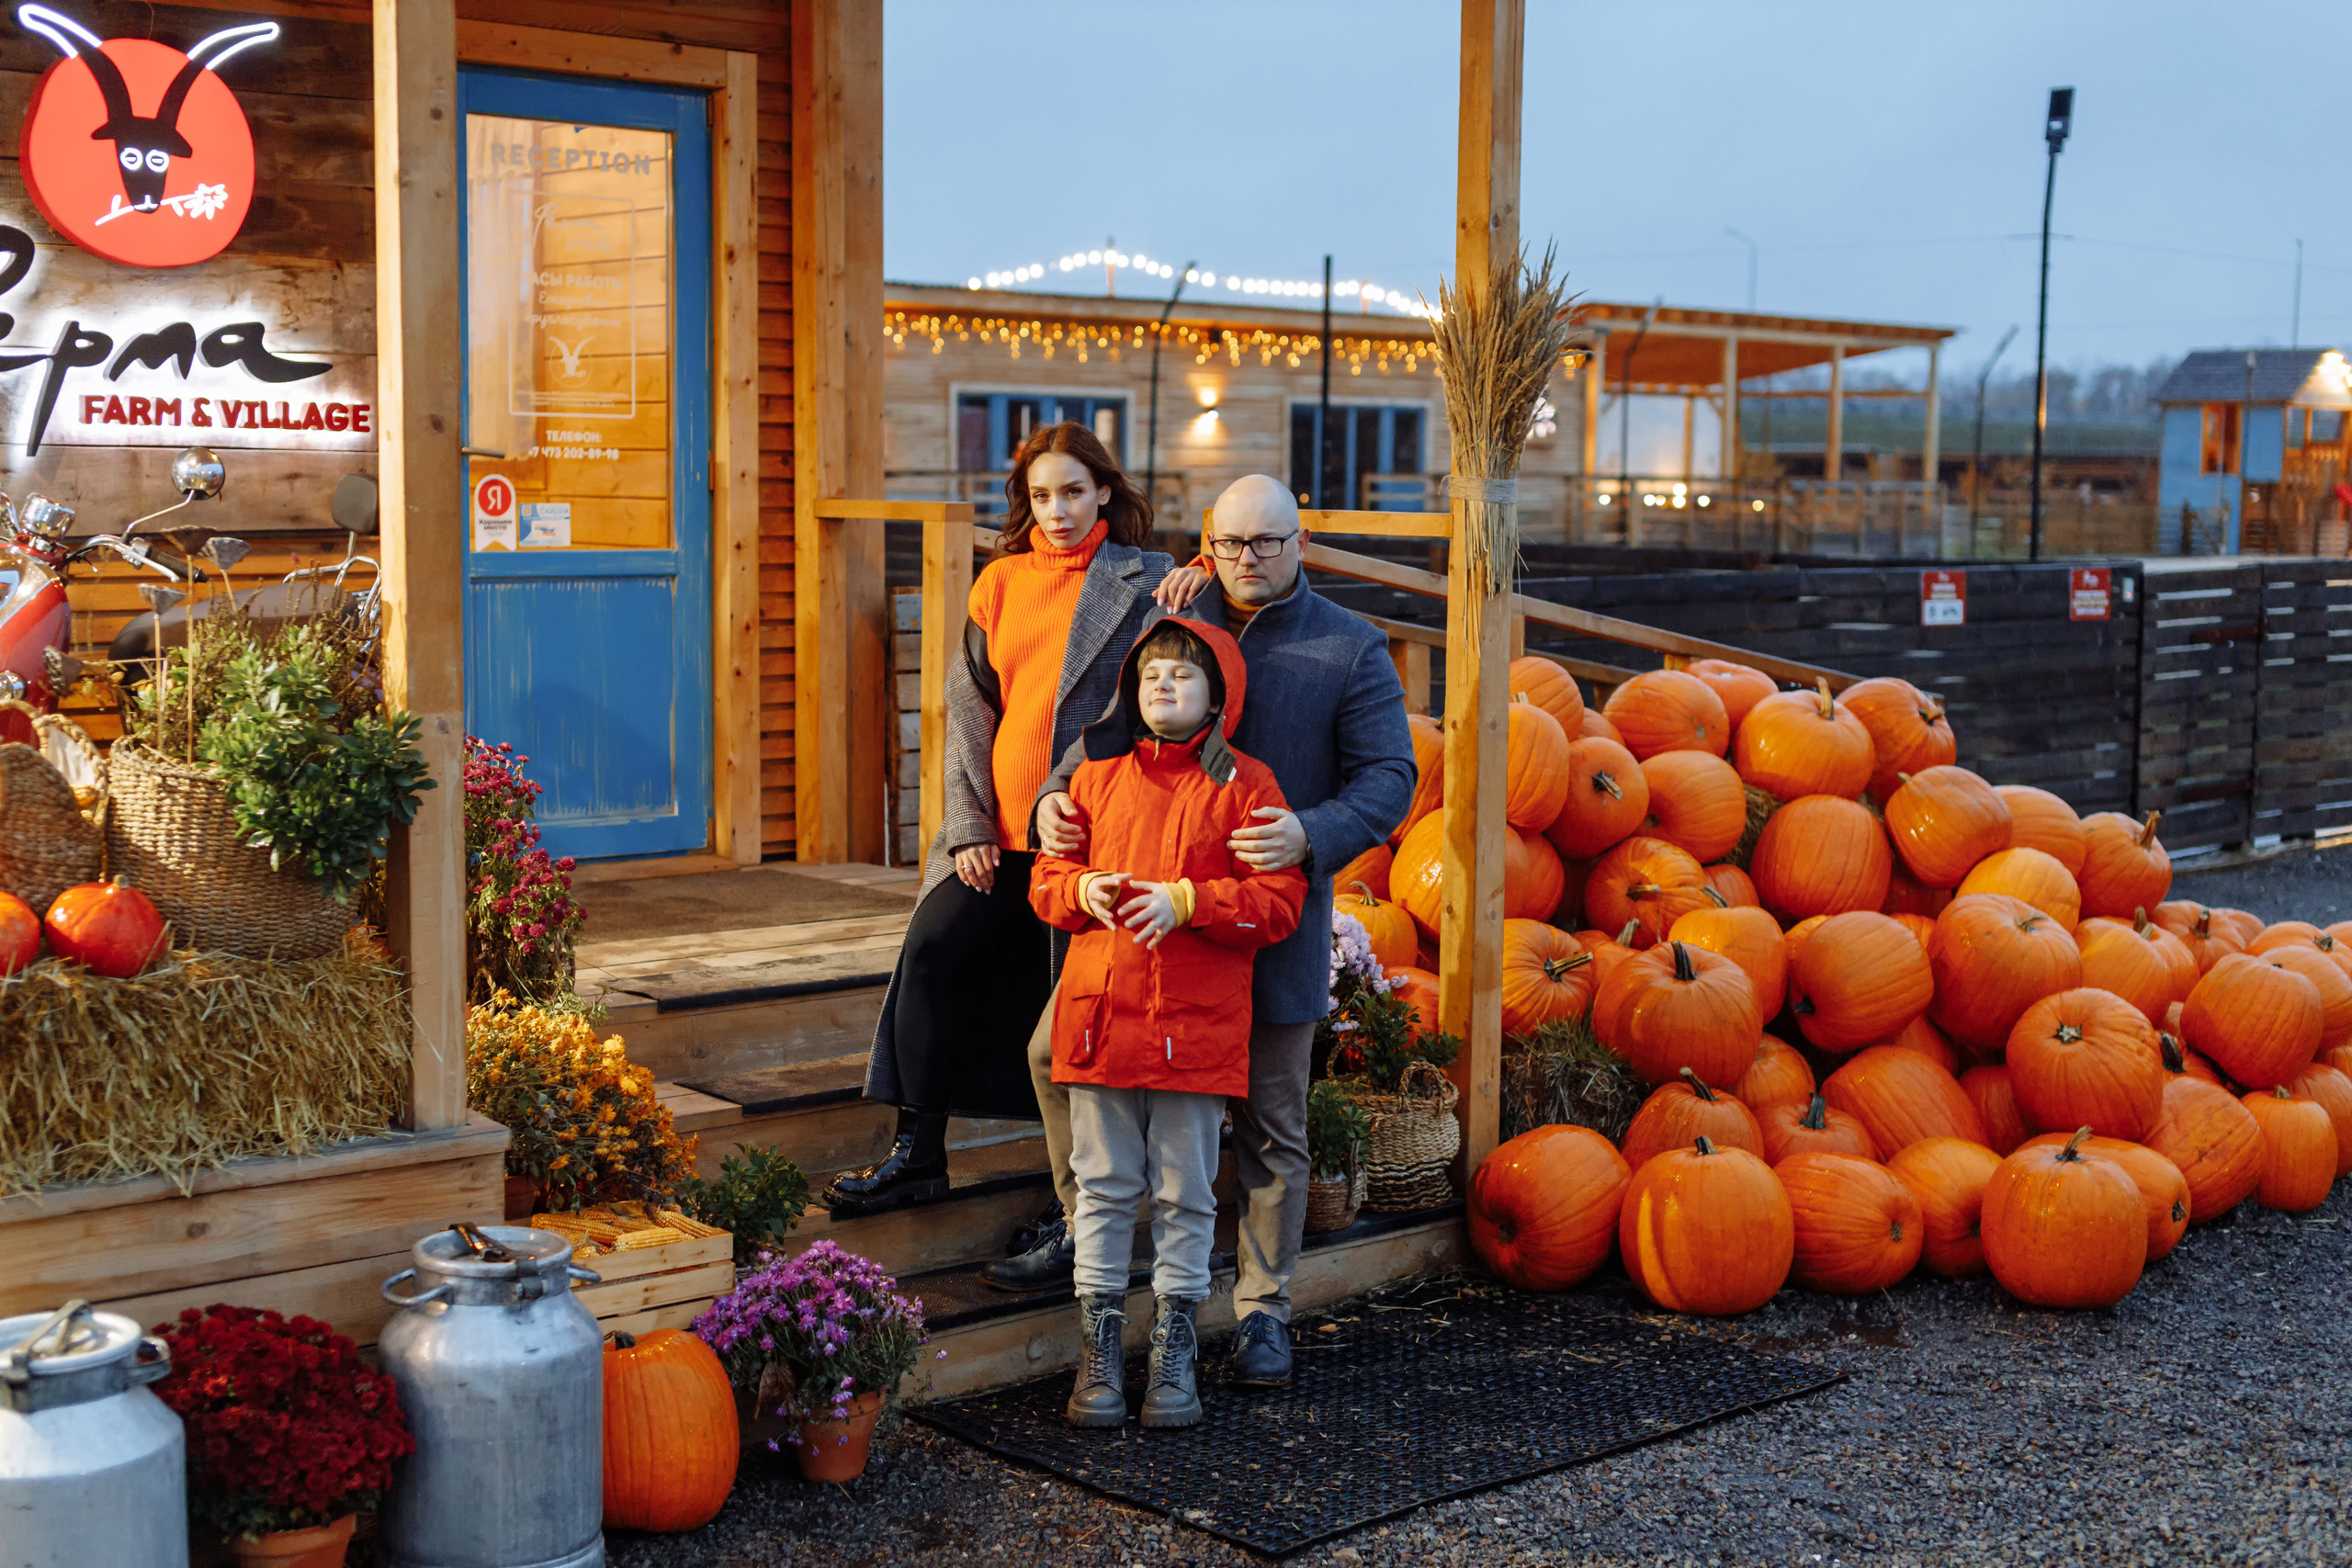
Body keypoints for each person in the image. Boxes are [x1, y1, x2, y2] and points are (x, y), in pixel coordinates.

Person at [994, 473, 1417, 1391]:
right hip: (1140, 938)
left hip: (1264, 925)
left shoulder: (1347, 648)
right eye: (1229, 544)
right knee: (1047, 1060)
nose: (1247, 562)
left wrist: (1314, 833)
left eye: (1266, 544)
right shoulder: (1169, 619)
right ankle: (1093, 1248)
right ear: (1206, 544)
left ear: (1300, 543)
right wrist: (1052, 802)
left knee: (1270, 1124)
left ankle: (1260, 1308)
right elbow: (1093, 739)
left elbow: (1391, 776)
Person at [833, 423, 1208, 1214]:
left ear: (1105, 489)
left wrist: (1203, 568)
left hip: (1082, 839)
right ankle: (917, 1152)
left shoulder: (1144, 577)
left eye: (1073, 491)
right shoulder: (1000, 581)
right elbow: (968, 707)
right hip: (993, 833)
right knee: (932, 952)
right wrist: (968, 823)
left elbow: (1179, 660)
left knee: (1063, 1008)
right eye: (1042, 495)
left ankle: (1071, 1196)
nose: (1058, 510)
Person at [1028, 616, 1306, 1428]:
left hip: (1195, 1023)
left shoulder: (1248, 786)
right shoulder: (1094, 777)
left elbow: (1279, 904)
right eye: (1150, 675)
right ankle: (1100, 1355)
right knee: (1106, 1186)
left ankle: (1173, 1352)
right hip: (1102, 1016)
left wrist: (1189, 900)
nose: (1163, 688)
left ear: (1218, 694)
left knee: (1186, 1194)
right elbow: (1048, 880)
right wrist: (1083, 892)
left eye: (1183, 676)